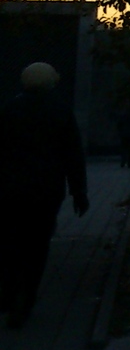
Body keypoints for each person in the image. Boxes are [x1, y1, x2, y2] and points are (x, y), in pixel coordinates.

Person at [1, 63, 89, 328]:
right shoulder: (60, 111)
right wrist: (79, 192)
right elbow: (73, 154)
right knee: (37, 245)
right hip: (46, 191)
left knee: (10, 243)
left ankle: (9, 292)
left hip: (9, 190)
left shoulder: (9, 110)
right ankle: (26, 299)